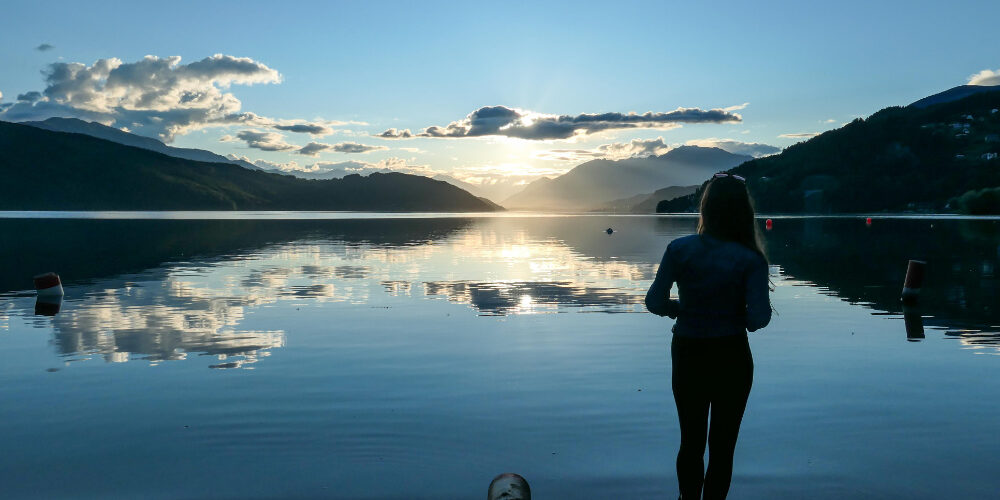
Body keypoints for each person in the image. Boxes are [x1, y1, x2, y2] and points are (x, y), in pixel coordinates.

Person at [645, 173, 772, 500]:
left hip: (688, 352)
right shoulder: (750, 259)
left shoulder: (679, 250)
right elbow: (759, 318)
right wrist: (732, 314)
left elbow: (654, 302)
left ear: (707, 208)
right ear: (743, 211)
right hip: (731, 354)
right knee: (723, 447)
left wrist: (678, 309)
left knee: (690, 442)